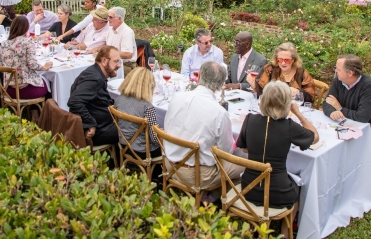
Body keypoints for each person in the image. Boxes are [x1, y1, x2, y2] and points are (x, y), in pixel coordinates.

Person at [236, 81, 318, 238]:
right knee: (299, 187)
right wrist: (299, 114)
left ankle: (262, 229)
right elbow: (314, 137)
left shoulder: (250, 119)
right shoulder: (288, 126)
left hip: (248, 188)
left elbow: (244, 149)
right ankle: (285, 233)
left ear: (263, 100)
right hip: (279, 193)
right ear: (287, 103)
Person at [164, 61, 244, 189]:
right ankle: (223, 199)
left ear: (199, 76)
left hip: (169, 164)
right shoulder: (219, 113)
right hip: (195, 175)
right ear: (221, 84)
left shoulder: (177, 97)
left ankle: (213, 196)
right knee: (246, 164)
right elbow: (226, 152)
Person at [0, 16, 52, 122]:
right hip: (23, 89)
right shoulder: (27, 42)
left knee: (39, 80)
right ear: (26, 28)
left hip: (8, 89)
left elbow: (0, 65)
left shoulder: (3, 44)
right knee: (48, 84)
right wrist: (44, 67)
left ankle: (34, 113)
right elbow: (32, 64)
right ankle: (43, 118)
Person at [68, 45, 121, 146]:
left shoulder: (93, 72)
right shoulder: (95, 78)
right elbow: (74, 101)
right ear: (104, 61)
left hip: (103, 125)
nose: (119, 65)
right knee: (135, 128)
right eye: (116, 61)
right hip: (100, 131)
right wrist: (90, 123)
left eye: (119, 62)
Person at [114, 66, 161, 160]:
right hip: (143, 151)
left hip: (123, 145)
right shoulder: (147, 107)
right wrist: (162, 133)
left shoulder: (119, 99)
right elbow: (155, 140)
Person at [248, 42, 315, 102]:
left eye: (287, 60)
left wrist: (298, 92)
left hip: (293, 110)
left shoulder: (301, 73)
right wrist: (254, 85)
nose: (283, 63)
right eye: (280, 60)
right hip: (273, 107)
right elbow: (261, 92)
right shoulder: (270, 69)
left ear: (293, 60)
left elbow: (311, 97)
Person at [323, 54, 371, 123]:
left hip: (364, 129)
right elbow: (327, 101)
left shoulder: (368, 86)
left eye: (338, 69)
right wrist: (332, 113)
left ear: (350, 73)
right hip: (343, 124)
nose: (335, 71)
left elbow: (363, 117)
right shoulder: (339, 80)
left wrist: (340, 109)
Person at [106, 7, 137, 76]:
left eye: (110, 17)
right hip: (112, 63)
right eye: (108, 17)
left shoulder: (127, 32)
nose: (108, 19)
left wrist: (108, 55)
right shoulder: (110, 30)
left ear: (119, 19)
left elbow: (128, 54)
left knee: (100, 73)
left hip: (126, 66)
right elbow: (108, 48)